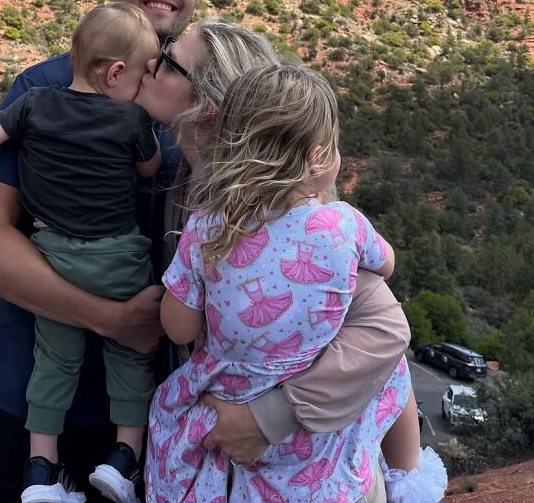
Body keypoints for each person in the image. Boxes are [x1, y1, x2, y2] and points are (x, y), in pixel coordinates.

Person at [0, 0, 411, 503]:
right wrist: (110, 317)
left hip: (165, 426)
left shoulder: (248, 160)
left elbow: (375, 322)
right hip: (38, 402)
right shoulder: (46, 92)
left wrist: (272, 417)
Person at [141, 59, 446, 502]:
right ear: (317, 158)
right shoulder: (343, 225)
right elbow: (388, 265)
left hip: (227, 407)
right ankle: (405, 479)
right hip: (316, 440)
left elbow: (179, 328)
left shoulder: (207, 229)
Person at [0, 3, 162, 503]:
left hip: (54, 259)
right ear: (117, 73)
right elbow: (149, 169)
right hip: (119, 260)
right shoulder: (132, 116)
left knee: (52, 364)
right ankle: (123, 461)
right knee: (132, 359)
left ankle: (41, 473)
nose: (142, 87)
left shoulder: (36, 101)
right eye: (140, 77)